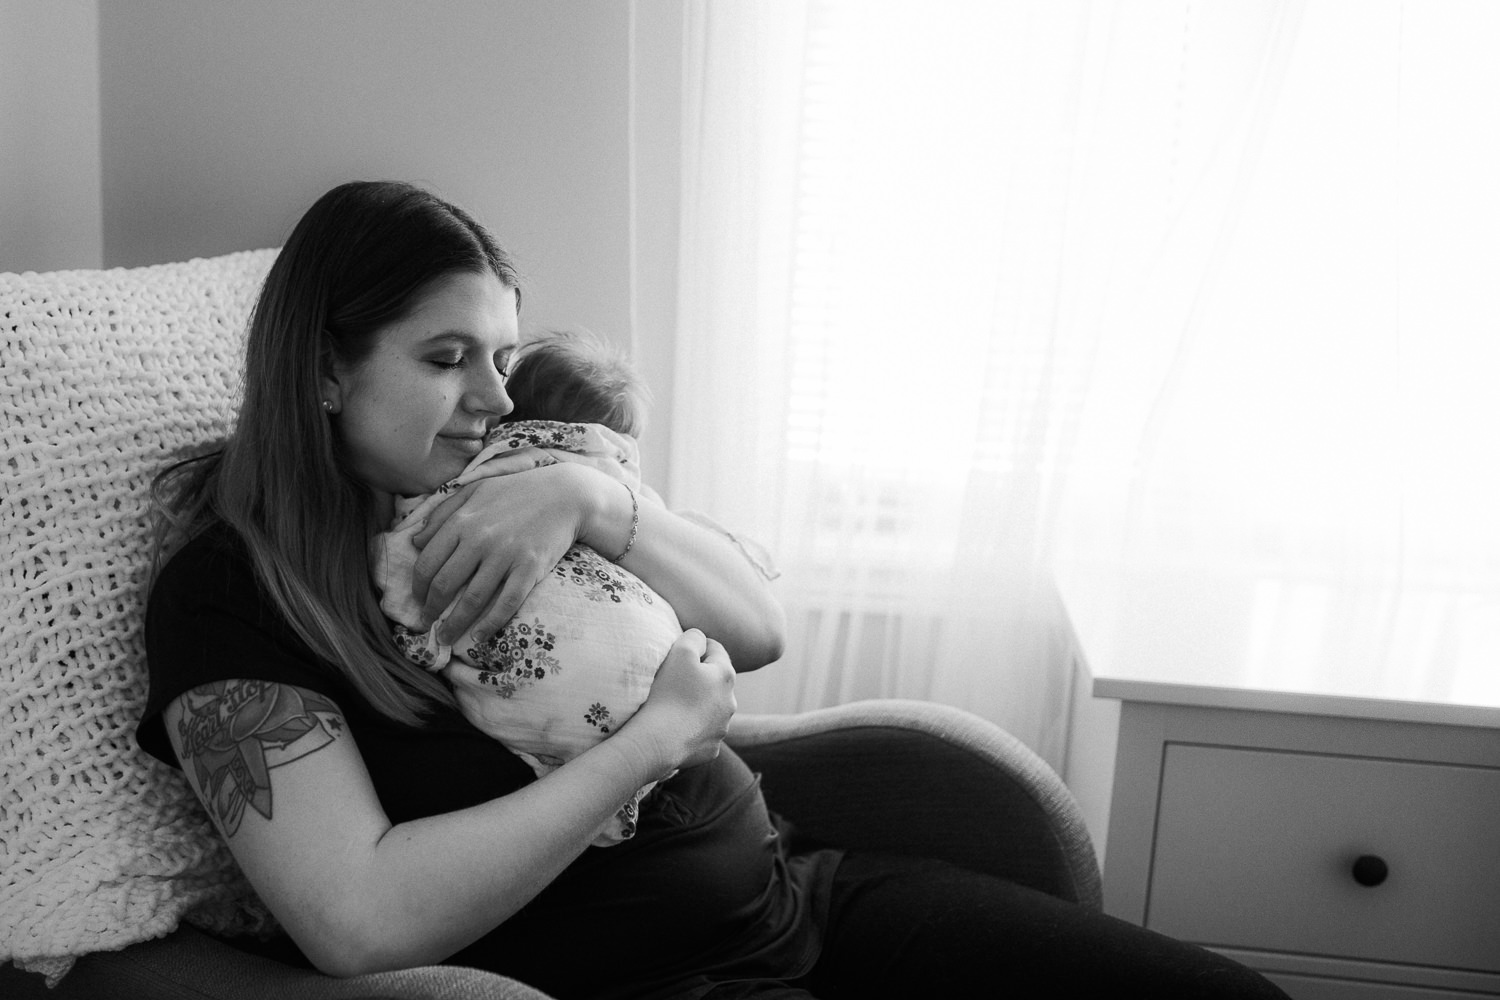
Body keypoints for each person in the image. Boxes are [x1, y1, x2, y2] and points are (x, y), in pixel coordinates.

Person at [135, 180, 1289, 999]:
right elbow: (356, 921)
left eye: (501, 353)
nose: (495, 393)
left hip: (808, 899)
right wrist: (648, 746)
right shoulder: (231, 595)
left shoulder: (517, 475)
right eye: (447, 359)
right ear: (326, 368)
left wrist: (594, 498)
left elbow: (757, 624)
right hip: (647, 977)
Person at [372, 332, 679, 845]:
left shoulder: (480, 473)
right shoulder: (629, 489)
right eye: (448, 359)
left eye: (501, 365)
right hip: (663, 698)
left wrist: (419, 638)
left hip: (608, 733)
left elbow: (407, 559)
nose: (496, 397)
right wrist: (676, 724)